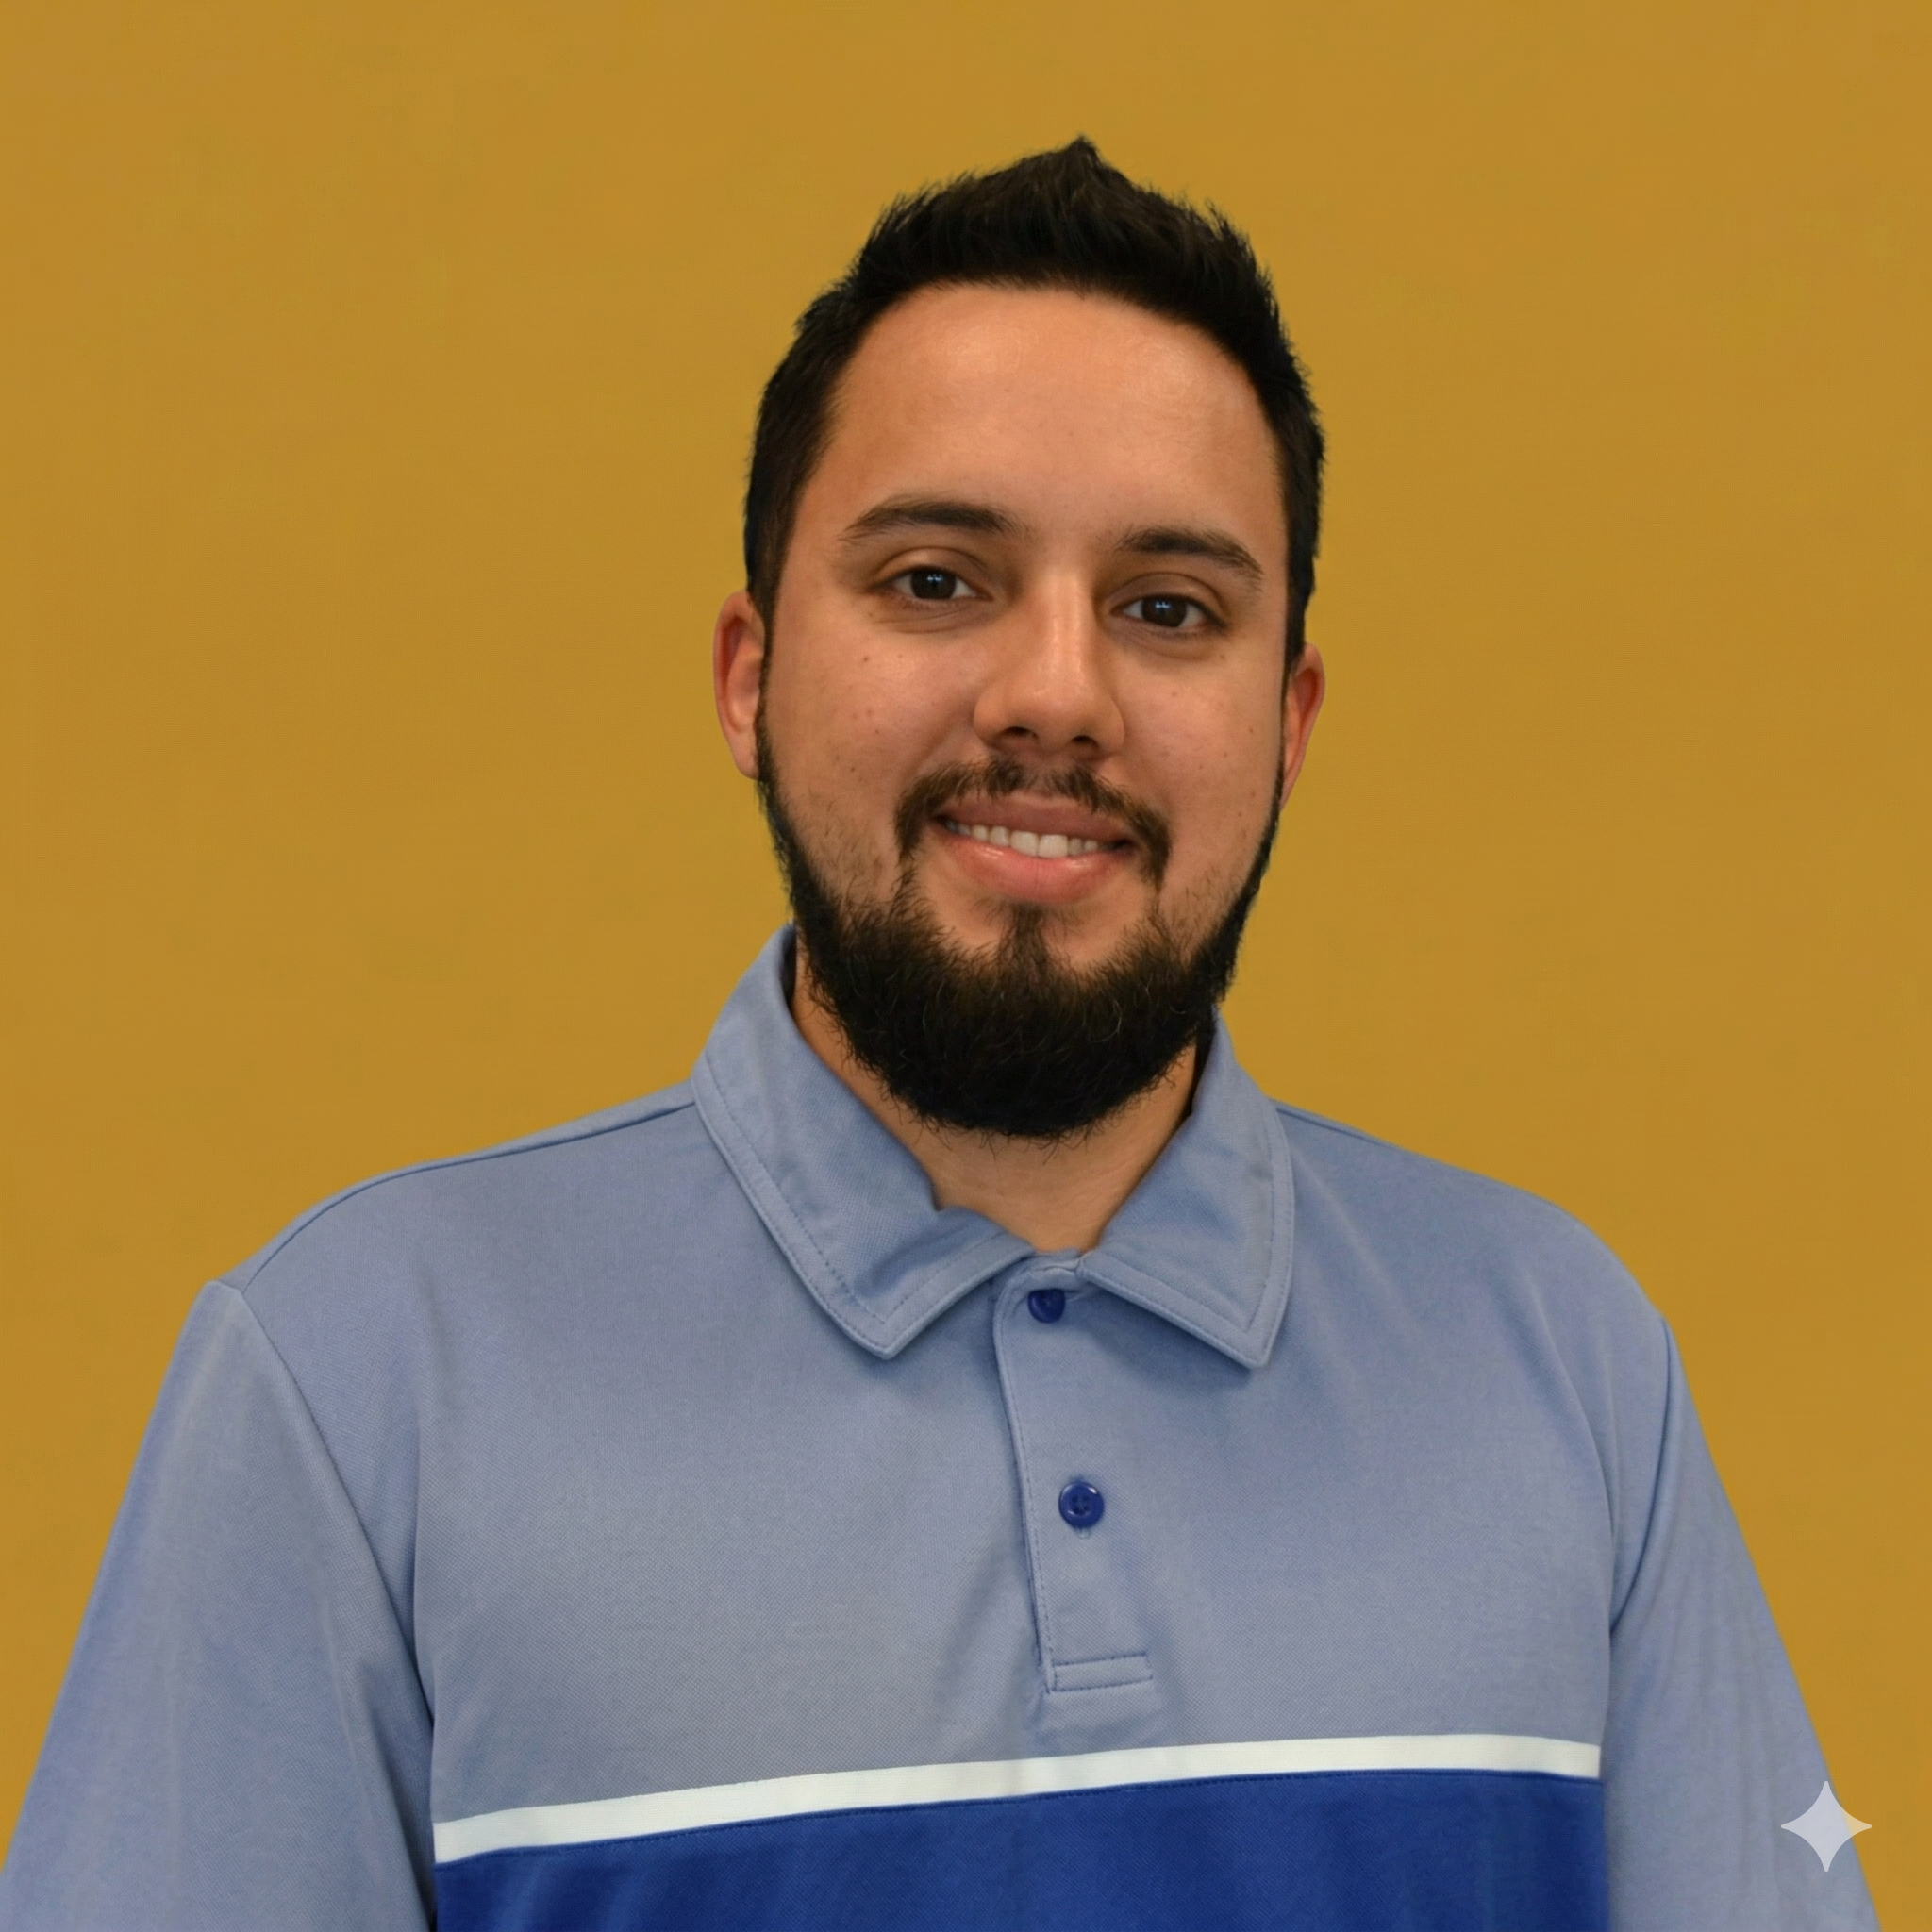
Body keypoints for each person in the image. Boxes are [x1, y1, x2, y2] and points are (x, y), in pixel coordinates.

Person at [0, 141, 1876, 1932]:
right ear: (751, 674)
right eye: (933, 582)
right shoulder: (352, 1387)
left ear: (1288, 716)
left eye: (1166, 606)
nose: (1053, 691)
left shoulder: (1567, 1369)